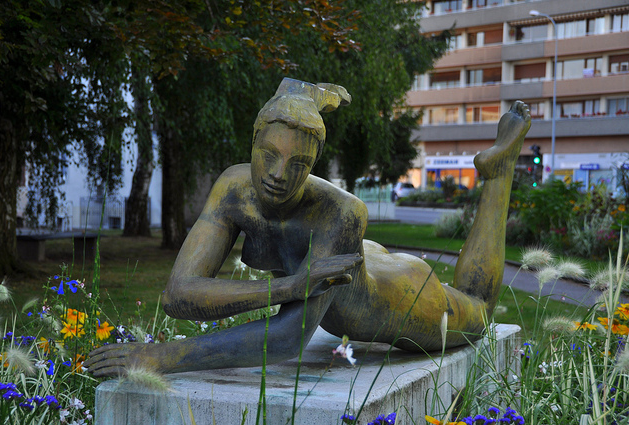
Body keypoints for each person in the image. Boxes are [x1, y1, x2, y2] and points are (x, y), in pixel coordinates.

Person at [85, 78, 531, 376]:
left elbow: (287, 337)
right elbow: (177, 295)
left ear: (314, 166)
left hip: (402, 296)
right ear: (253, 144)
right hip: (359, 260)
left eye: (299, 164)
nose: (278, 174)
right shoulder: (234, 187)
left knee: (479, 308)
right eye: (269, 155)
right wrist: (288, 288)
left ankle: (499, 171)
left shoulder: (341, 213)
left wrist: (163, 356)